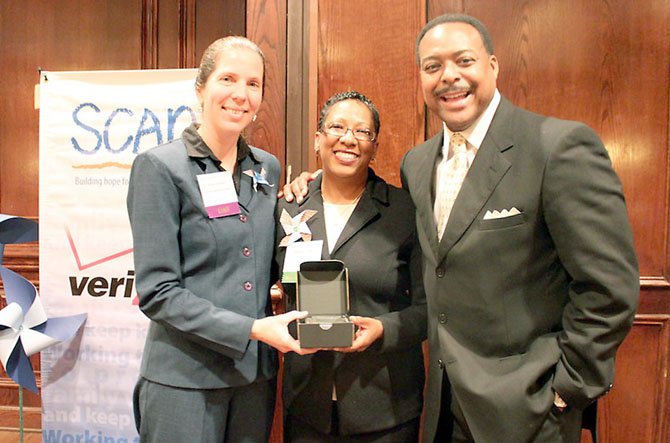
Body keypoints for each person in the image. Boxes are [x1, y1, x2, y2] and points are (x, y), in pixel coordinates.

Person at [284, 14, 639, 443]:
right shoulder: (417, 165)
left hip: (528, 407)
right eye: (433, 66)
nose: (449, 76)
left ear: (492, 65)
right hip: (442, 405)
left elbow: (609, 287)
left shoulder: (557, 147)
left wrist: (568, 389)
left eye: (464, 61)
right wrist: (311, 183)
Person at [127, 36, 309, 443]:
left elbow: (271, 252)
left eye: (253, 84)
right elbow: (157, 293)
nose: (240, 95)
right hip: (183, 381)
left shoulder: (267, 168)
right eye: (228, 79)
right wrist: (253, 329)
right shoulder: (160, 168)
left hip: (252, 382)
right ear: (201, 87)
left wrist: (315, 195)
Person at [274, 91, 427, 442]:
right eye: (337, 127)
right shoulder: (287, 208)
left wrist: (383, 329)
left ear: (374, 146)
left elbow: (430, 308)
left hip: (383, 403)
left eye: (362, 132)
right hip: (307, 404)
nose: (348, 139)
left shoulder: (404, 212)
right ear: (318, 139)